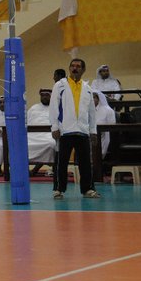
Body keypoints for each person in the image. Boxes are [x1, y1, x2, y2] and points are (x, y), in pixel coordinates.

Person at [49, 58, 100, 199]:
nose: (75, 68)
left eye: (78, 66)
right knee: (62, 162)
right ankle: (58, 189)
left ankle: (87, 189)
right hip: (65, 130)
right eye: (72, 66)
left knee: (85, 163)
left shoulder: (87, 88)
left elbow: (91, 112)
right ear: (69, 68)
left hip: (83, 131)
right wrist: (54, 127)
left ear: (83, 70)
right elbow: (53, 107)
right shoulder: (60, 85)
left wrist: (93, 131)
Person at [26, 89, 57, 176]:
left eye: (47, 95)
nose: (44, 97)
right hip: (32, 134)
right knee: (24, 144)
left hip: (49, 134)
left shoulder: (55, 108)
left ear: (51, 96)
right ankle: (25, 170)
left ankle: (35, 169)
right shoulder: (34, 108)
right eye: (42, 95)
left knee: (52, 144)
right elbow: (26, 121)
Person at [93, 90, 117, 158]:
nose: (91, 100)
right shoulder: (87, 110)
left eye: (94, 97)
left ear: (98, 99)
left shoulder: (108, 110)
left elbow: (112, 127)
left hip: (103, 136)